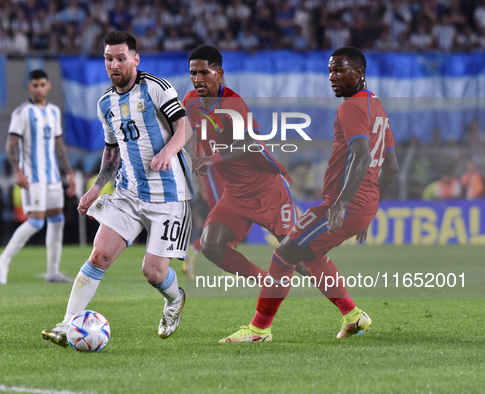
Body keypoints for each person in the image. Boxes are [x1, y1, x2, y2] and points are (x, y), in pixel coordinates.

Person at [220, 47, 399, 343]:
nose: (332, 77)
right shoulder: (376, 106)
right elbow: (391, 167)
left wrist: (342, 203)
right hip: (362, 204)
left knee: (284, 253)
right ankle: (353, 316)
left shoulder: (351, 107)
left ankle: (259, 330)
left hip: (344, 203)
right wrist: (370, 208)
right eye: (330, 70)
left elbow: (362, 157)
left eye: (340, 70)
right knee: (312, 255)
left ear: (359, 72)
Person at [41, 31, 192, 347]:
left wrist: (167, 152)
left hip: (168, 195)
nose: (114, 64)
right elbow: (112, 151)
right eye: (109, 58)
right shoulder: (105, 103)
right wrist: (96, 188)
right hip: (128, 191)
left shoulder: (157, 89)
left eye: (121, 58)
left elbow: (184, 128)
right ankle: (68, 323)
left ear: (136, 59)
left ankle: (175, 299)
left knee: (152, 271)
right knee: (99, 255)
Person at [185, 44, 313, 285]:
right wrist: (197, 161)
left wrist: (211, 159)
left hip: (268, 188)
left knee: (297, 259)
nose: (197, 79)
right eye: (193, 73)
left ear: (219, 73)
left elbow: (248, 141)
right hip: (235, 194)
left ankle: (350, 309)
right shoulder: (190, 103)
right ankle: (268, 283)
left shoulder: (232, 102)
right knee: (211, 245)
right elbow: (197, 134)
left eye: (204, 72)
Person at [0, 69, 76, 284]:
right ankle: (2, 261)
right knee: (36, 222)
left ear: (48, 86)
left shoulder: (54, 111)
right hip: (33, 176)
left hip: (53, 177)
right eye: (35, 85)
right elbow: (10, 145)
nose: (39, 89)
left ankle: (53, 272)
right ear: (29, 88)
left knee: (57, 221)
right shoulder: (22, 112)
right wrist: (17, 171)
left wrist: (70, 173)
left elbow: (59, 146)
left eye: (42, 84)